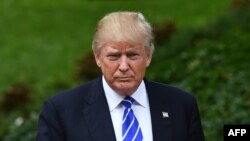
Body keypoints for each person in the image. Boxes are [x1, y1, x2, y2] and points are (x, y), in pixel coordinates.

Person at [36, 11, 205, 141]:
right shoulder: (62, 112)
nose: (124, 66)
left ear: (148, 56)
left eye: (132, 55)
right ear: (97, 57)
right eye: (114, 56)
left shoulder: (181, 105)